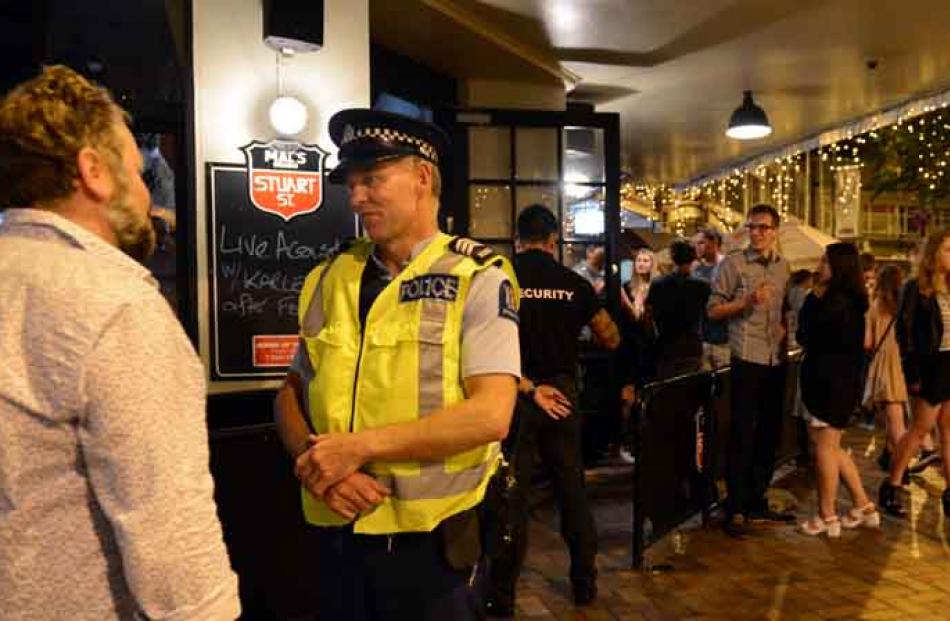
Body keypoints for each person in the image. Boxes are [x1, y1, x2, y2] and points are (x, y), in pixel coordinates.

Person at [0, 66, 239, 619]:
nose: (146, 196)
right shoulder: (116, 306)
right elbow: (172, 541)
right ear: (94, 172)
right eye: (137, 172)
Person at [273, 108, 521, 620]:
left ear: (423, 177)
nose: (356, 197)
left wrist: (356, 449)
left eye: (372, 179)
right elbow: (291, 391)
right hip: (335, 533)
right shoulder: (328, 276)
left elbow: (493, 413)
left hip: (432, 549)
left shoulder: (477, 276)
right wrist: (318, 466)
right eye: (352, 183)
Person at [484, 205, 620, 617]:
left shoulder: (501, 279)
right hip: (561, 393)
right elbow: (610, 338)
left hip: (515, 390)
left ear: (517, 239)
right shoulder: (573, 283)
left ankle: (503, 594)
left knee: (513, 494)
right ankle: (584, 583)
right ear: (553, 240)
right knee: (571, 490)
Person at [708, 204, 793, 538]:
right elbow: (713, 310)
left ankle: (757, 498)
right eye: (751, 227)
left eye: (762, 227)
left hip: (775, 357)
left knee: (769, 432)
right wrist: (746, 303)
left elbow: (784, 309)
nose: (756, 233)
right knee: (742, 432)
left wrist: (786, 329)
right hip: (746, 356)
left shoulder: (783, 267)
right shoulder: (734, 264)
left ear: (775, 231)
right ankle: (736, 506)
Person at [797, 244, 878, 537]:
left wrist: (812, 298)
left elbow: (804, 335)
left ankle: (826, 515)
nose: (820, 265)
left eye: (825, 261)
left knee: (824, 449)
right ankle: (863, 505)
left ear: (838, 266)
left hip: (827, 383)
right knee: (832, 447)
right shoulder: (855, 300)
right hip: (842, 383)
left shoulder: (832, 301)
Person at [880, 227, 950, 518]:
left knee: (948, 431)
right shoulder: (916, 287)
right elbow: (903, 332)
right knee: (921, 429)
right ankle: (892, 485)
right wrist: (913, 374)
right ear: (934, 253)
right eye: (947, 249)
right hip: (929, 365)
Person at [864, 266, 908, 472]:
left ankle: (902, 467)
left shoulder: (876, 306)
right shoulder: (907, 306)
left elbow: (868, 342)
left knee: (895, 420)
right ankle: (890, 454)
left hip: (885, 364)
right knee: (891, 417)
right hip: (903, 362)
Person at [645, 240, 710, 378]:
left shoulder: (658, 284)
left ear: (673, 258)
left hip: (665, 344)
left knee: (666, 387)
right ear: (693, 259)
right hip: (692, 344)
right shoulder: (702, 286)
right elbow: (709, 315)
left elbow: (648, 314)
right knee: (689, 387)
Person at [692, 228, 729, 369]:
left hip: (724, 337)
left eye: (701, 242)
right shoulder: (696, 269)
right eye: (696, 243)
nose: (698, 247)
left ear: (714, 242)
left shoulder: (727, 266)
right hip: (703, 337)